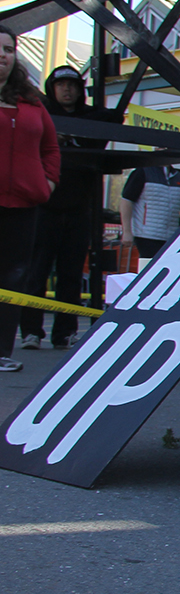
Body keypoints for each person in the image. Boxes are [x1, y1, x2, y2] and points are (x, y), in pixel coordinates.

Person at [19, 65, 116, 350]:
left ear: (80, 90)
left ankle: (65, 332)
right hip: (44, 206)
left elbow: (114, 116)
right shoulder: (40, 114)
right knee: (36, 273)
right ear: (52, 88)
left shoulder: (90, 118)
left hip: (79, 208)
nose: (66, 89)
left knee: (71, 274)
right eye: (61, 84)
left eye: (72, 85)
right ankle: (31, 332)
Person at [0, 25, 60, 373]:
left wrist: (47, 183)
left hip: (23, 204)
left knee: (13, 278)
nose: (2, 55)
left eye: (8, 49)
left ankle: (1, 351)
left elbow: (51, 147)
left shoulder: (32, 101)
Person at [120, 163, 180, 261]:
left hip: (171, 236)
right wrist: (127, 231)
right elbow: (126, 201)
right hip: (146, 235)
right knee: (149, 265)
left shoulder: (178, 176)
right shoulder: (142, 172)